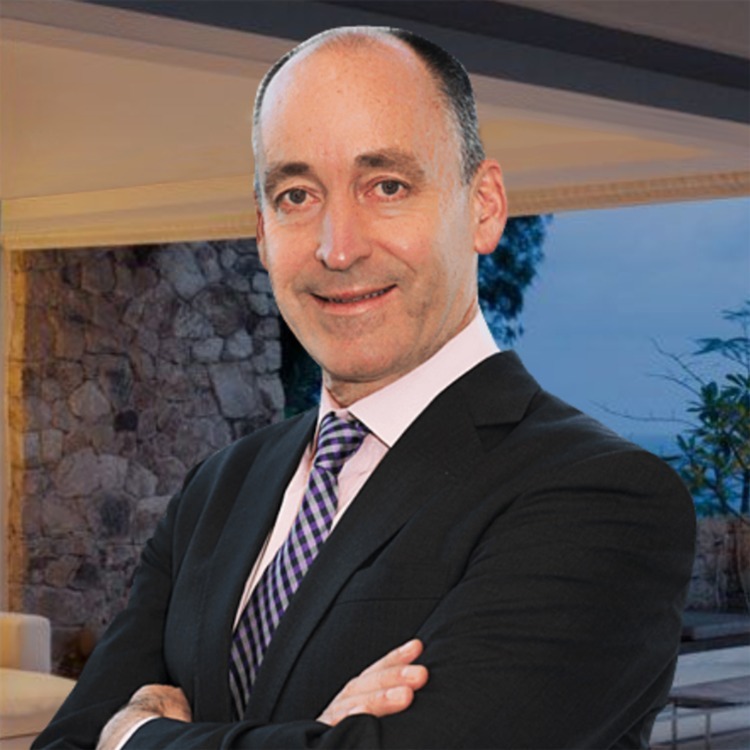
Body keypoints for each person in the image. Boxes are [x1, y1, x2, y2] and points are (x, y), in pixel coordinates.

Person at [34, 26, 695, 750]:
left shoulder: (600, 497)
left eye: (387, 186)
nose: (338, 247)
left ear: (483, 205)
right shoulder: (218, 490)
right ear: (262, 231)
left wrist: (135, 737)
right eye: (296, 195)